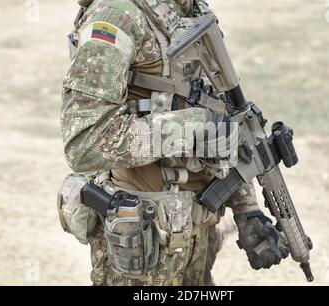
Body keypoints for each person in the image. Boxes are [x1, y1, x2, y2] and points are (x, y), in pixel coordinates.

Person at [59, 0, 288, 286]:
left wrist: (246, 207)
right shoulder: (117, 15)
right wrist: (190, 129)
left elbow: (224, 115)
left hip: (199, 234)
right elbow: (84, 143)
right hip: (143, 243)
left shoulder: (192, 11)